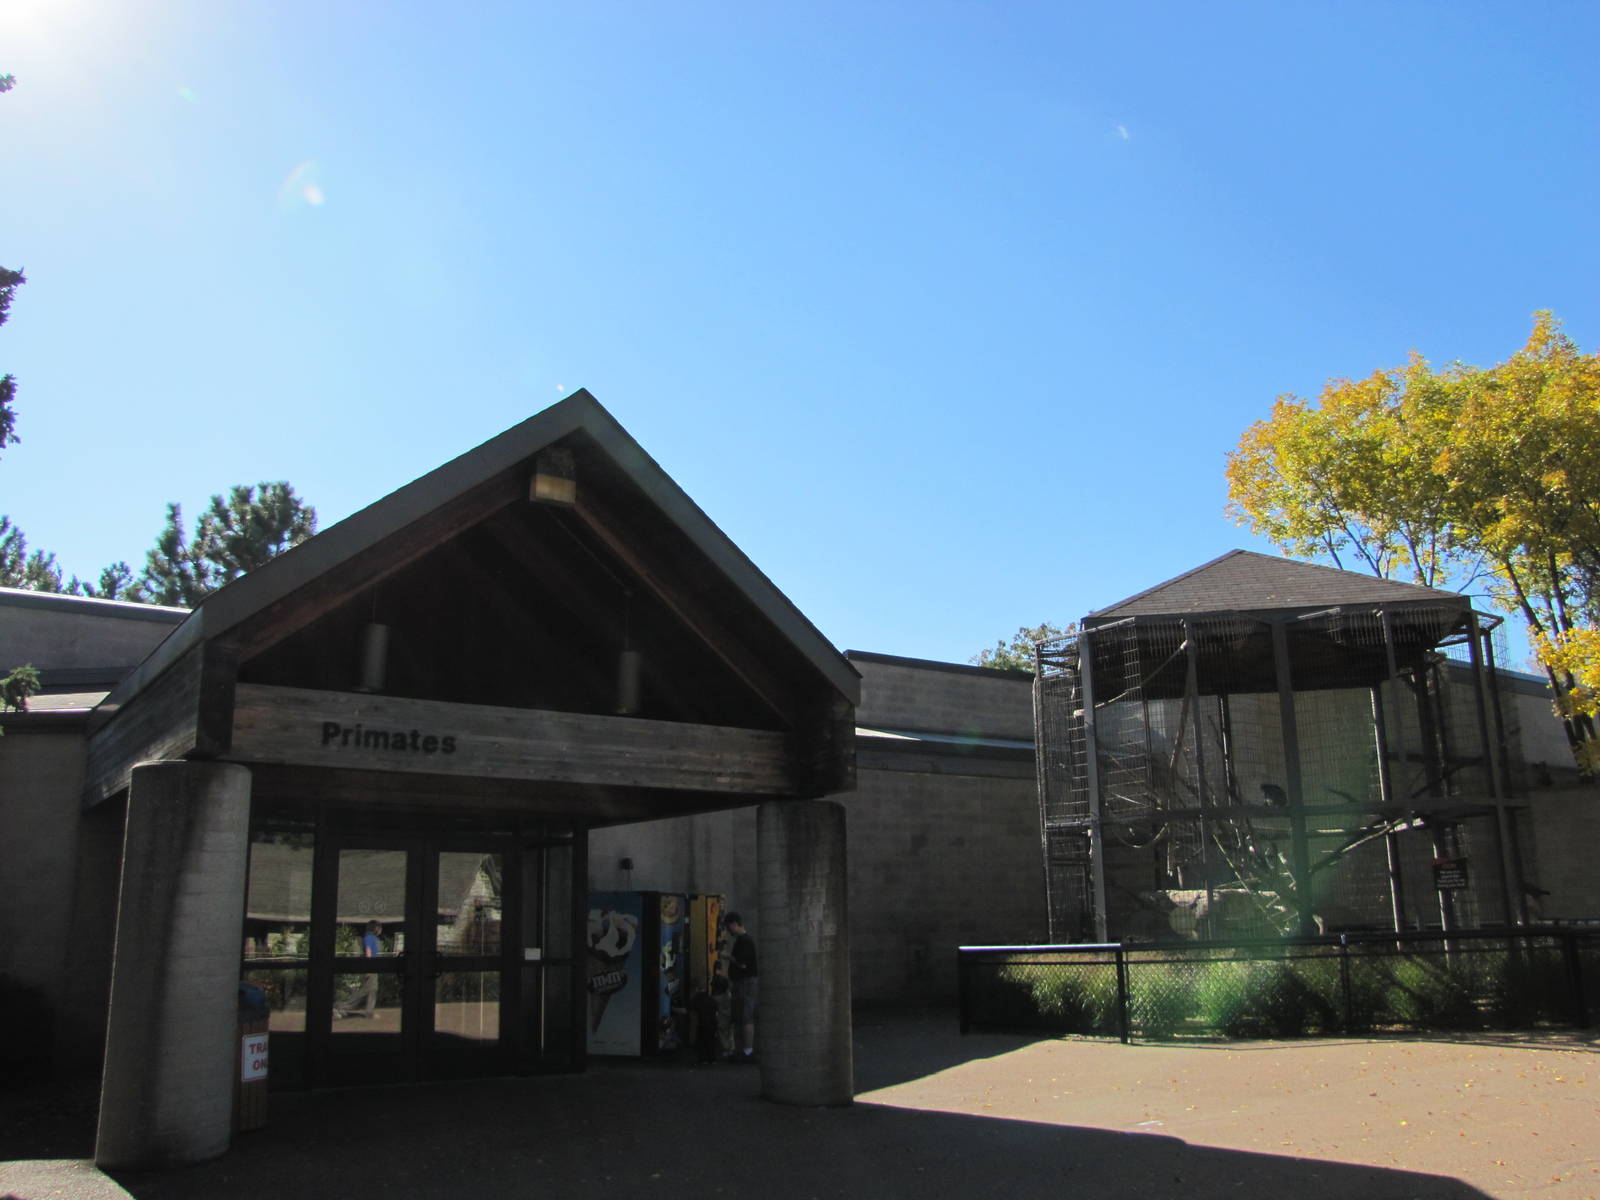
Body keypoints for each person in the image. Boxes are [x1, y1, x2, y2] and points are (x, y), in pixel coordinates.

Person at [724, 912, 757, 1061]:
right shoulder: (744, 940)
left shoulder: (745, 941)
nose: (728, 931)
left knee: (745, 1016)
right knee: (742, 1016)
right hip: (743, 982)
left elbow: (743, 964)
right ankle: (745, 1050)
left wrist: (729, 957)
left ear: (734, 924)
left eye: (728, 927)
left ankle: (748, 1051)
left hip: (745, 982)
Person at [340, 920, 383, 1019]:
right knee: (366, 991)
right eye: (379, 927)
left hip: (373, 967)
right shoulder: (369, 937)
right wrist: (369, 965)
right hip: (370, 967)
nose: (380, 929)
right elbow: (368, 951)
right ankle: (341, 1007)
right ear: (375, 928)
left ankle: (369, 1012)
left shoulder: (373, 938)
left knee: (372, 990)